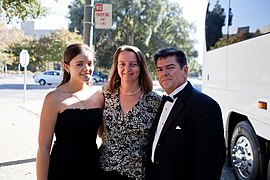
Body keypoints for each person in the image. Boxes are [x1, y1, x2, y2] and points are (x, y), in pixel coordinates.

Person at [147, 47, 226, 180]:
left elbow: (210, 164)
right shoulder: (162, 101)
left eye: (170, 67)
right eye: (160, 69)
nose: (164, 73)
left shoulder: (206, 107)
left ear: (185, 71)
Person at [36, 43, 104, 180]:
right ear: (67, 67)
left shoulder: (100, 96)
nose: (87, 68)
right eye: (79, 64)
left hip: (92, 167)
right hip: (63, 168)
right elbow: (43, 148)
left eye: (89, 63)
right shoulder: (53, 98)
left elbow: (103, 134)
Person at [99, 45, 162, 180]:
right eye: (122, 64)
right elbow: (99, 130)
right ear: (116, 66)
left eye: (133, 64)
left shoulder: (155, 101)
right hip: (105, 169)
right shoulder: (105, 95)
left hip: (138, 174)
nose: (127, 69)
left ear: (141, 68)